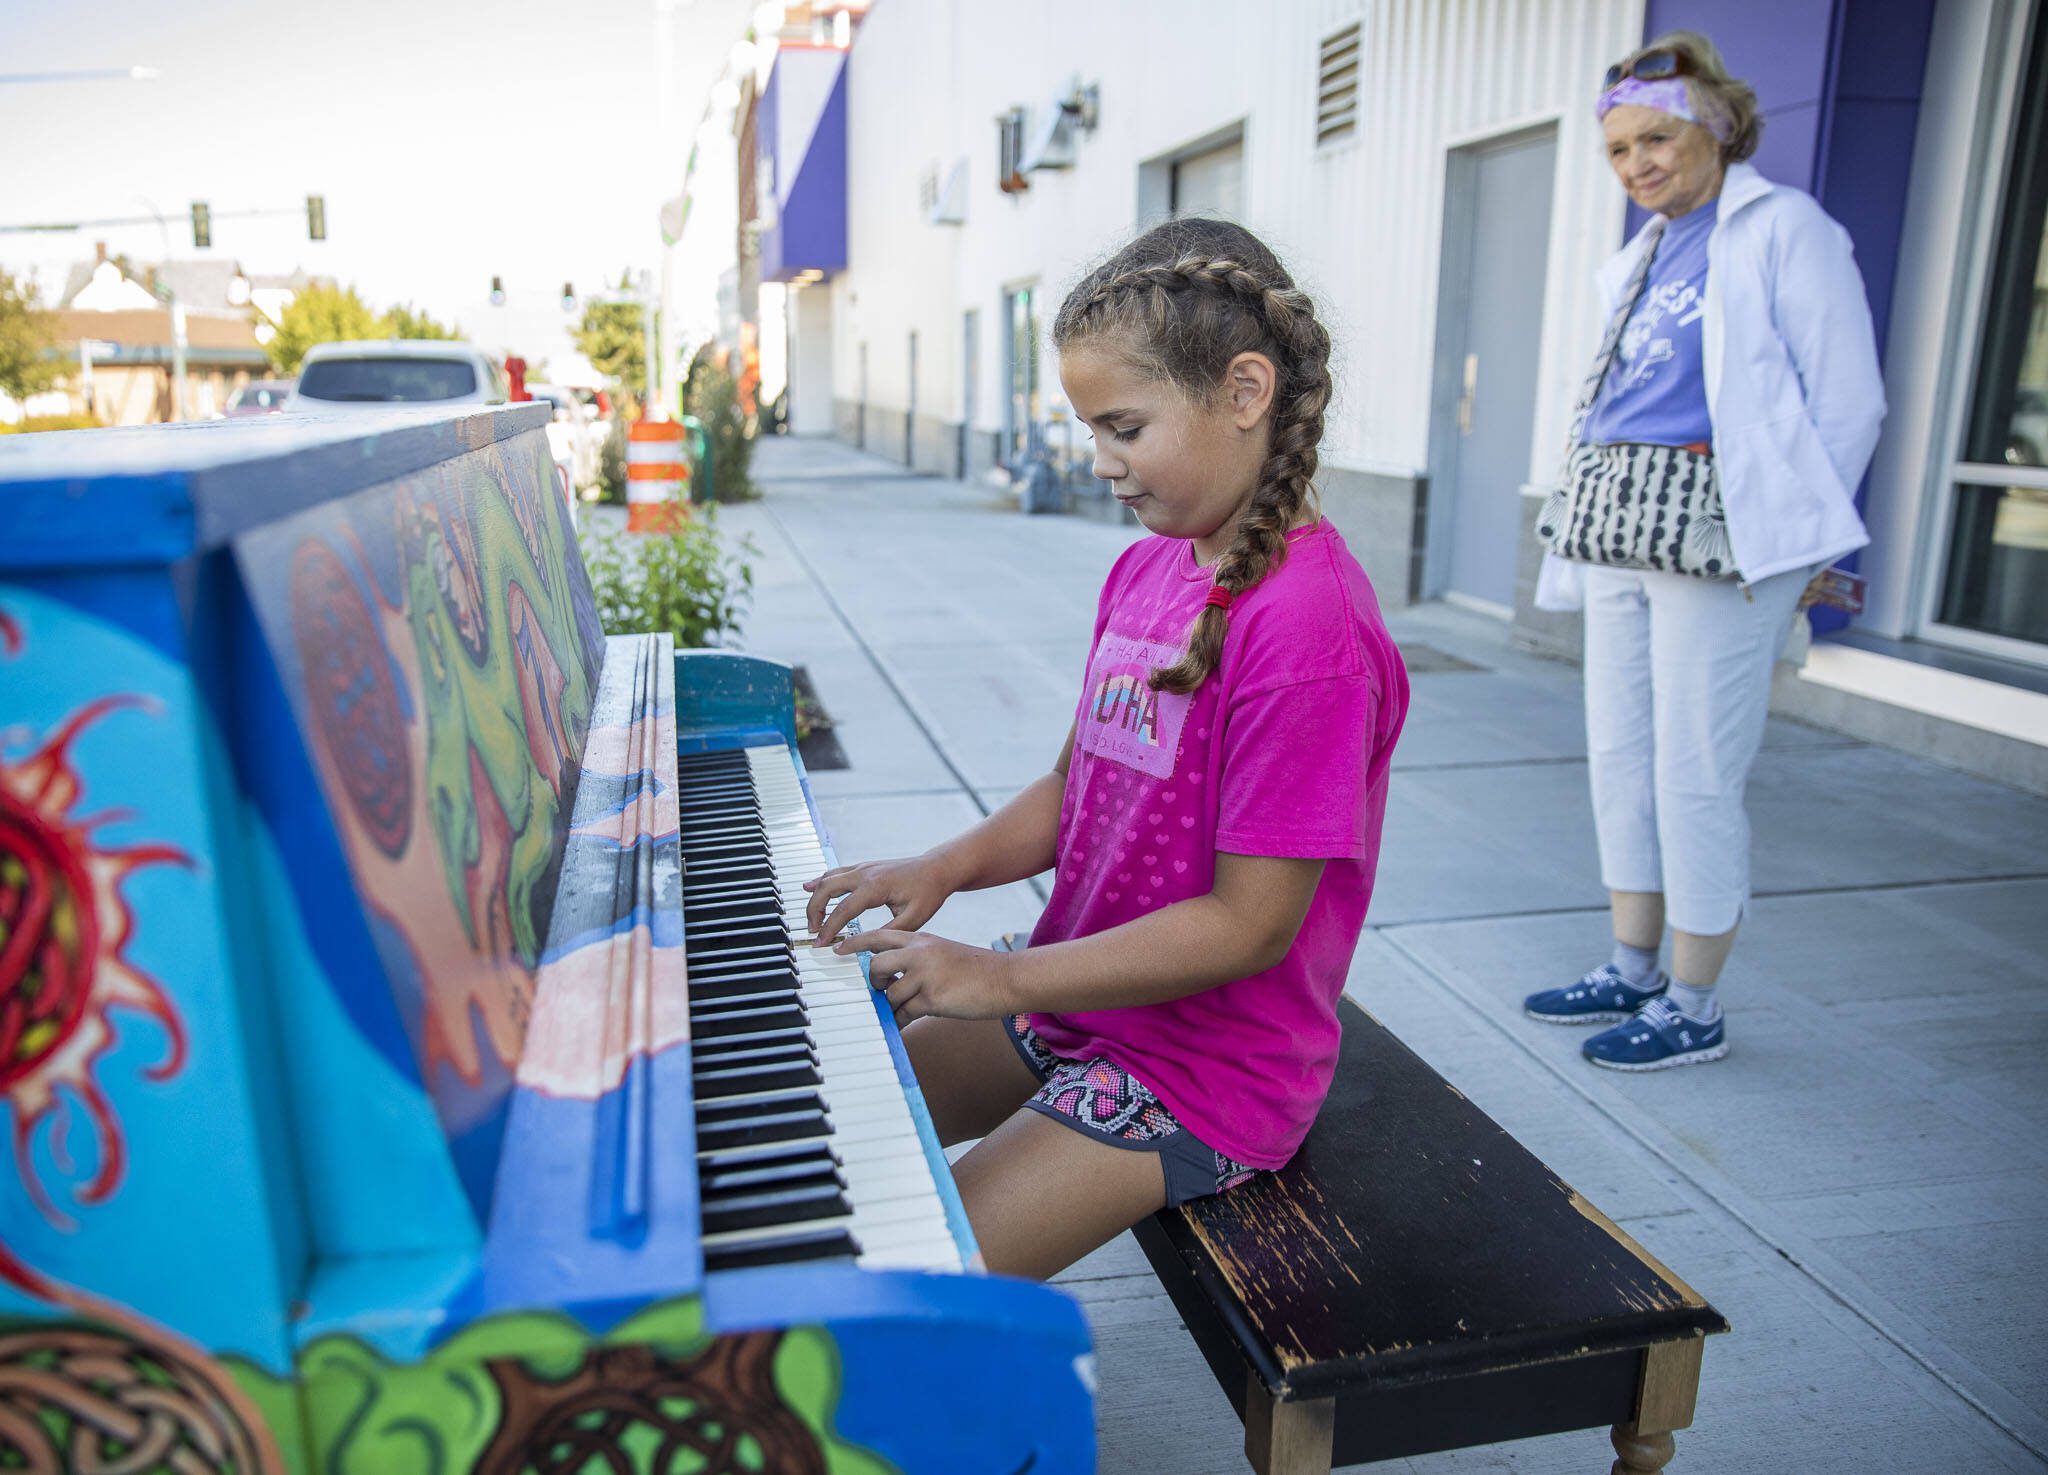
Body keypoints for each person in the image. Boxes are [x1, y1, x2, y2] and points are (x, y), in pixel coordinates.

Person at [804, 218, 1409, 1280]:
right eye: (1091, 431)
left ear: (1244, 391)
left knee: (914, 1279)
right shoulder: (1149, 572)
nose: (1102, 466)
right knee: (819, 1115)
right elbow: (1071, 784)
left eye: (1122, 428)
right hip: (1077, 1002)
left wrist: (1000, 980)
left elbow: (1249, 923)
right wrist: (941, 867)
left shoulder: (1307, 628)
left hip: (1203, 1067)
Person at [1523, 33, 1886, 1070]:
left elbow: (1848, 402)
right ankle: (1631, 966)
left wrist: (1792, 537)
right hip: (1620, 525)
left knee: (1693, 772)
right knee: (1620, 758)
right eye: (1618, 150)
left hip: (1722, 535)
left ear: (1714, 129)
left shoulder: (1783, 230)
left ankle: (1693, 1001)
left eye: (1656, 138)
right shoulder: (1636, 257)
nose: (1636, 164)